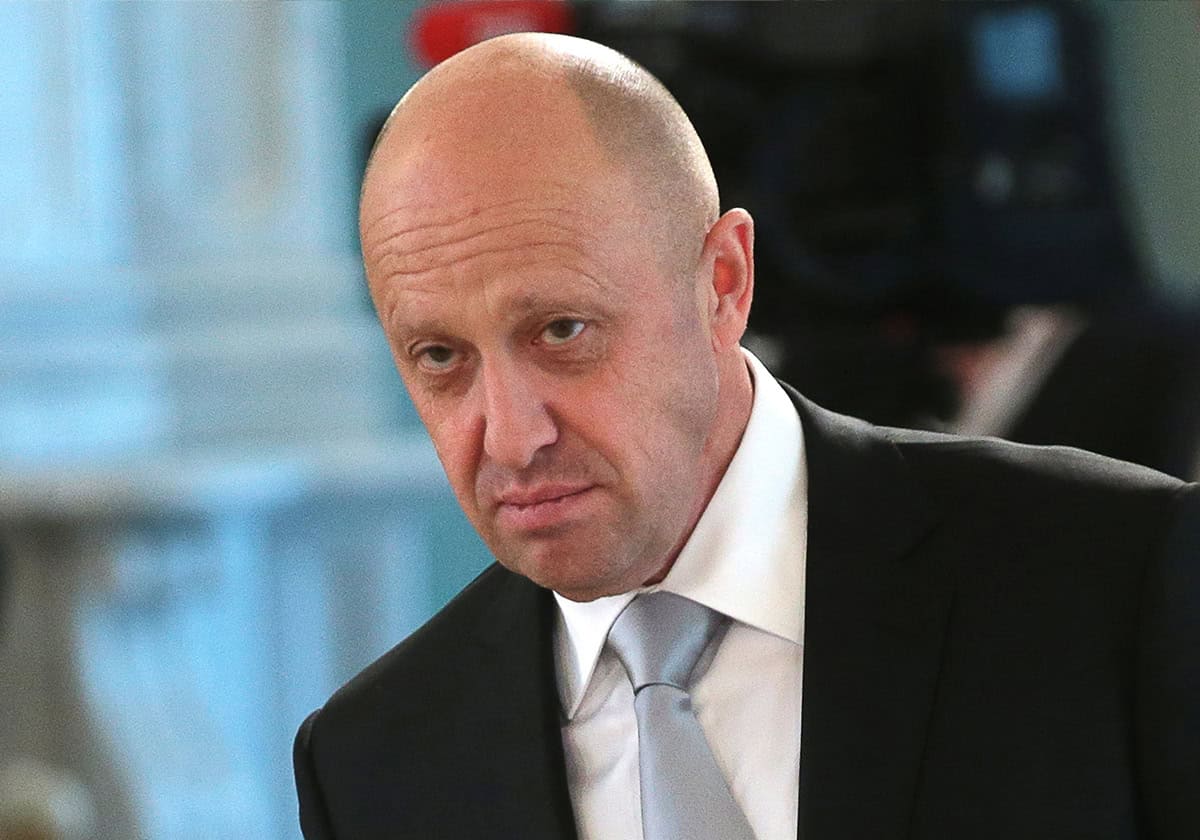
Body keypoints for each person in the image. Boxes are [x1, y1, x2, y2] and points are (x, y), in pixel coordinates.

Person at [293, 33, 1199, 840]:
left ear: (723, 282)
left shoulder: (1119, 577)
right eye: (440, 356)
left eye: (562, 332)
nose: (511, 438)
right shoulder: (370, 765)